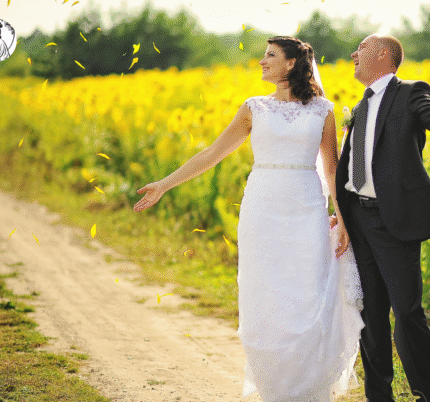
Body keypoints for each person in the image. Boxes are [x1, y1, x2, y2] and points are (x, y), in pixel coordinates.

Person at [133, 36, 364, 402]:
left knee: (306, 295)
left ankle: (305, 388)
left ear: (291, 64)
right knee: (266, 297)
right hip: (262, 210)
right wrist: (165, 184)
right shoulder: (253, 108)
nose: (262, 61)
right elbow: (212, 154)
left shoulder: (323, 110)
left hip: (306, 209)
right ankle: (275, 388)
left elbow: (332, 169)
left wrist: (344, 219)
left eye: (270, 56)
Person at [334, 34, 430, 402]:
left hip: (392, 220)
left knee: (407, 311)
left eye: (362, 48)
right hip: (358, 219)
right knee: (371, 314)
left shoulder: (410, 92)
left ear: (384, 55)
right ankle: (378, 396)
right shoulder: (361, 105)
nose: (354, 54)